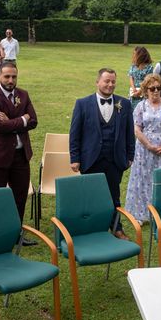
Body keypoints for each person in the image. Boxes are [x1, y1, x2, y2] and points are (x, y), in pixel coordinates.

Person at [69, 68, 135, 239]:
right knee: (91, 196)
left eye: (113, 81)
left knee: (114, 195)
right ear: (97, 82)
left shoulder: (124, 104)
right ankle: (92, 230)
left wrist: (130, 156)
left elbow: (129, 132)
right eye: (106, 81)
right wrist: (75, 158)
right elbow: (75, 134)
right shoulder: (82, 104)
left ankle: (116, 228)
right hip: (91, 159)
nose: (110, 84)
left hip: (115, 159)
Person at [0, 62, 37, 233]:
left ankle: (16, 232)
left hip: (20, 155)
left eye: (14, 76)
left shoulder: (23, 94)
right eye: (7, 76)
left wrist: (11, 121)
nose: (11, 80)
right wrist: (22, 119)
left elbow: (34, 121)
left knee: (19, 197)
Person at [124, 74, 161, 224]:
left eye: (158, 88)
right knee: (142, 180)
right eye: (152, 88)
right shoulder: (140, 106)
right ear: (145, 90)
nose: (156, 91)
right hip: (144, 149)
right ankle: (140, 214)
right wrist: (149, 146)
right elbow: (137, 129)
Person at [128, 46, 153, 110]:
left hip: (143, 93)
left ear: (140, 55)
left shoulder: (149, 67)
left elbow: (147, 81)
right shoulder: (133, 66)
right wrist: (133, 89)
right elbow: (131, 77)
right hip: (133, 93)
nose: (133, 56)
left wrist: (139, 91)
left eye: (135, 54)